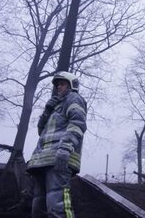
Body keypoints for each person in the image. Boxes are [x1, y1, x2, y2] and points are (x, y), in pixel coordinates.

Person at [26, 71, 87, 218]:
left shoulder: (74, 98)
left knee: (58, 207)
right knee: (38, 209)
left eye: (62, 84)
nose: (58, 87)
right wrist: (47, 111)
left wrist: (65, 148)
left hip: (59, 158)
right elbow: (41, 131)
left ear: (72, 85)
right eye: (57, 85)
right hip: (43, 160)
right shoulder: (54, 106)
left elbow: (77, 124)